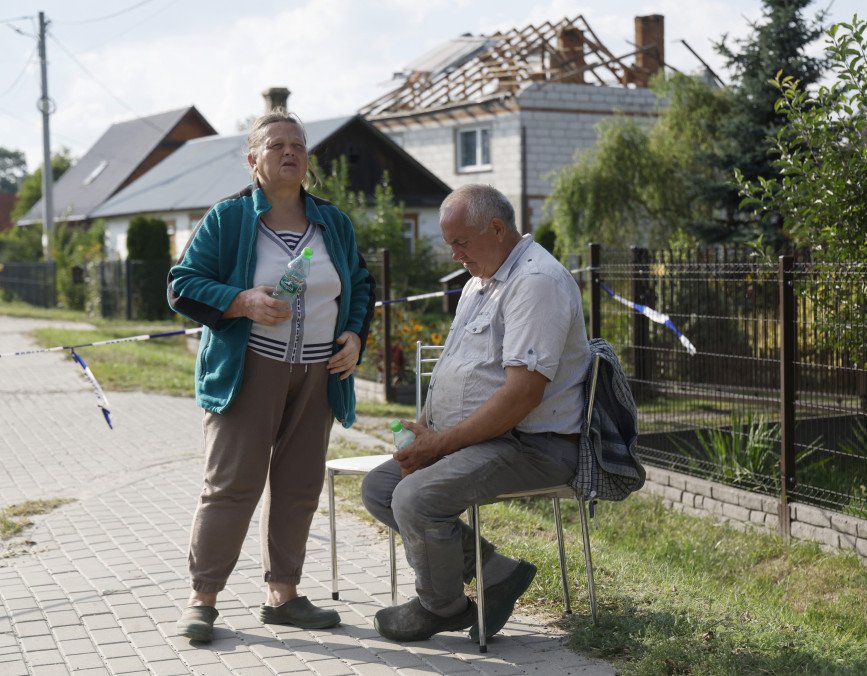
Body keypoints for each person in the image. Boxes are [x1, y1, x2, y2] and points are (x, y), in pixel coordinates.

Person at [167, 109, 375, 642]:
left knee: (300, 486)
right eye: (277, 145)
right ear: (253, 160)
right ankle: (202, 599)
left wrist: (354, 336)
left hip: (319, 375)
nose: (289, 153)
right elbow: (182, 285)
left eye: (298, 146)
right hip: (249, 371)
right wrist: (239, 301)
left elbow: (358, 284)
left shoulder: (333, 221)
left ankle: (282, 595)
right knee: (233, 485)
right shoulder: (230, 218)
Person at [361, 184, 590, 643]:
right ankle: (496, 572)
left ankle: (441, 606)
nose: (454, 255)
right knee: (382, 488)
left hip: (533, 446)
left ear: (498, 228)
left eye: (460, 242)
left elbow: (522, 395)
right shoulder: (480, 282)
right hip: (485, 439)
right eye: (450, 245)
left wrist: (440, 445)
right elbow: (459, 366)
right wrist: (426, 429)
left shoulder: (536, 283)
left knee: (415, 498)